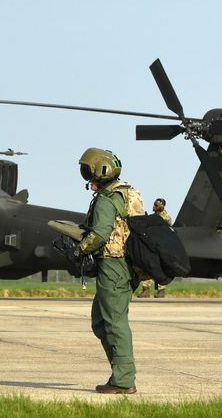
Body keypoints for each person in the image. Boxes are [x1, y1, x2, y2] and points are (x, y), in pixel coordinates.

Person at [77, 147, 137, 394]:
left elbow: (100, 234)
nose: (85, 175)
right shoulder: (127, 193)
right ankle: (119, 373)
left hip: (113, 265)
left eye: (87, 170)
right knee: (100, 322)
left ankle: (123, 380)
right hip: (126, 265)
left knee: (114, 323)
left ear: (100, 170)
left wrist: (80, 248)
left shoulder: (106, 200)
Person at [137, 198, 172, 298]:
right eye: (154, 204)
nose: (154, 206)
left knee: (160, 268)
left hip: (161, 245)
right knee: (148, 267)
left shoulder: (165, 217)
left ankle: (161, 290)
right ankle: (145, 290)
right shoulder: (153, 217)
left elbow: (167, 225)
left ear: (162, 206)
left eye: (157, 205)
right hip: (151, 245)